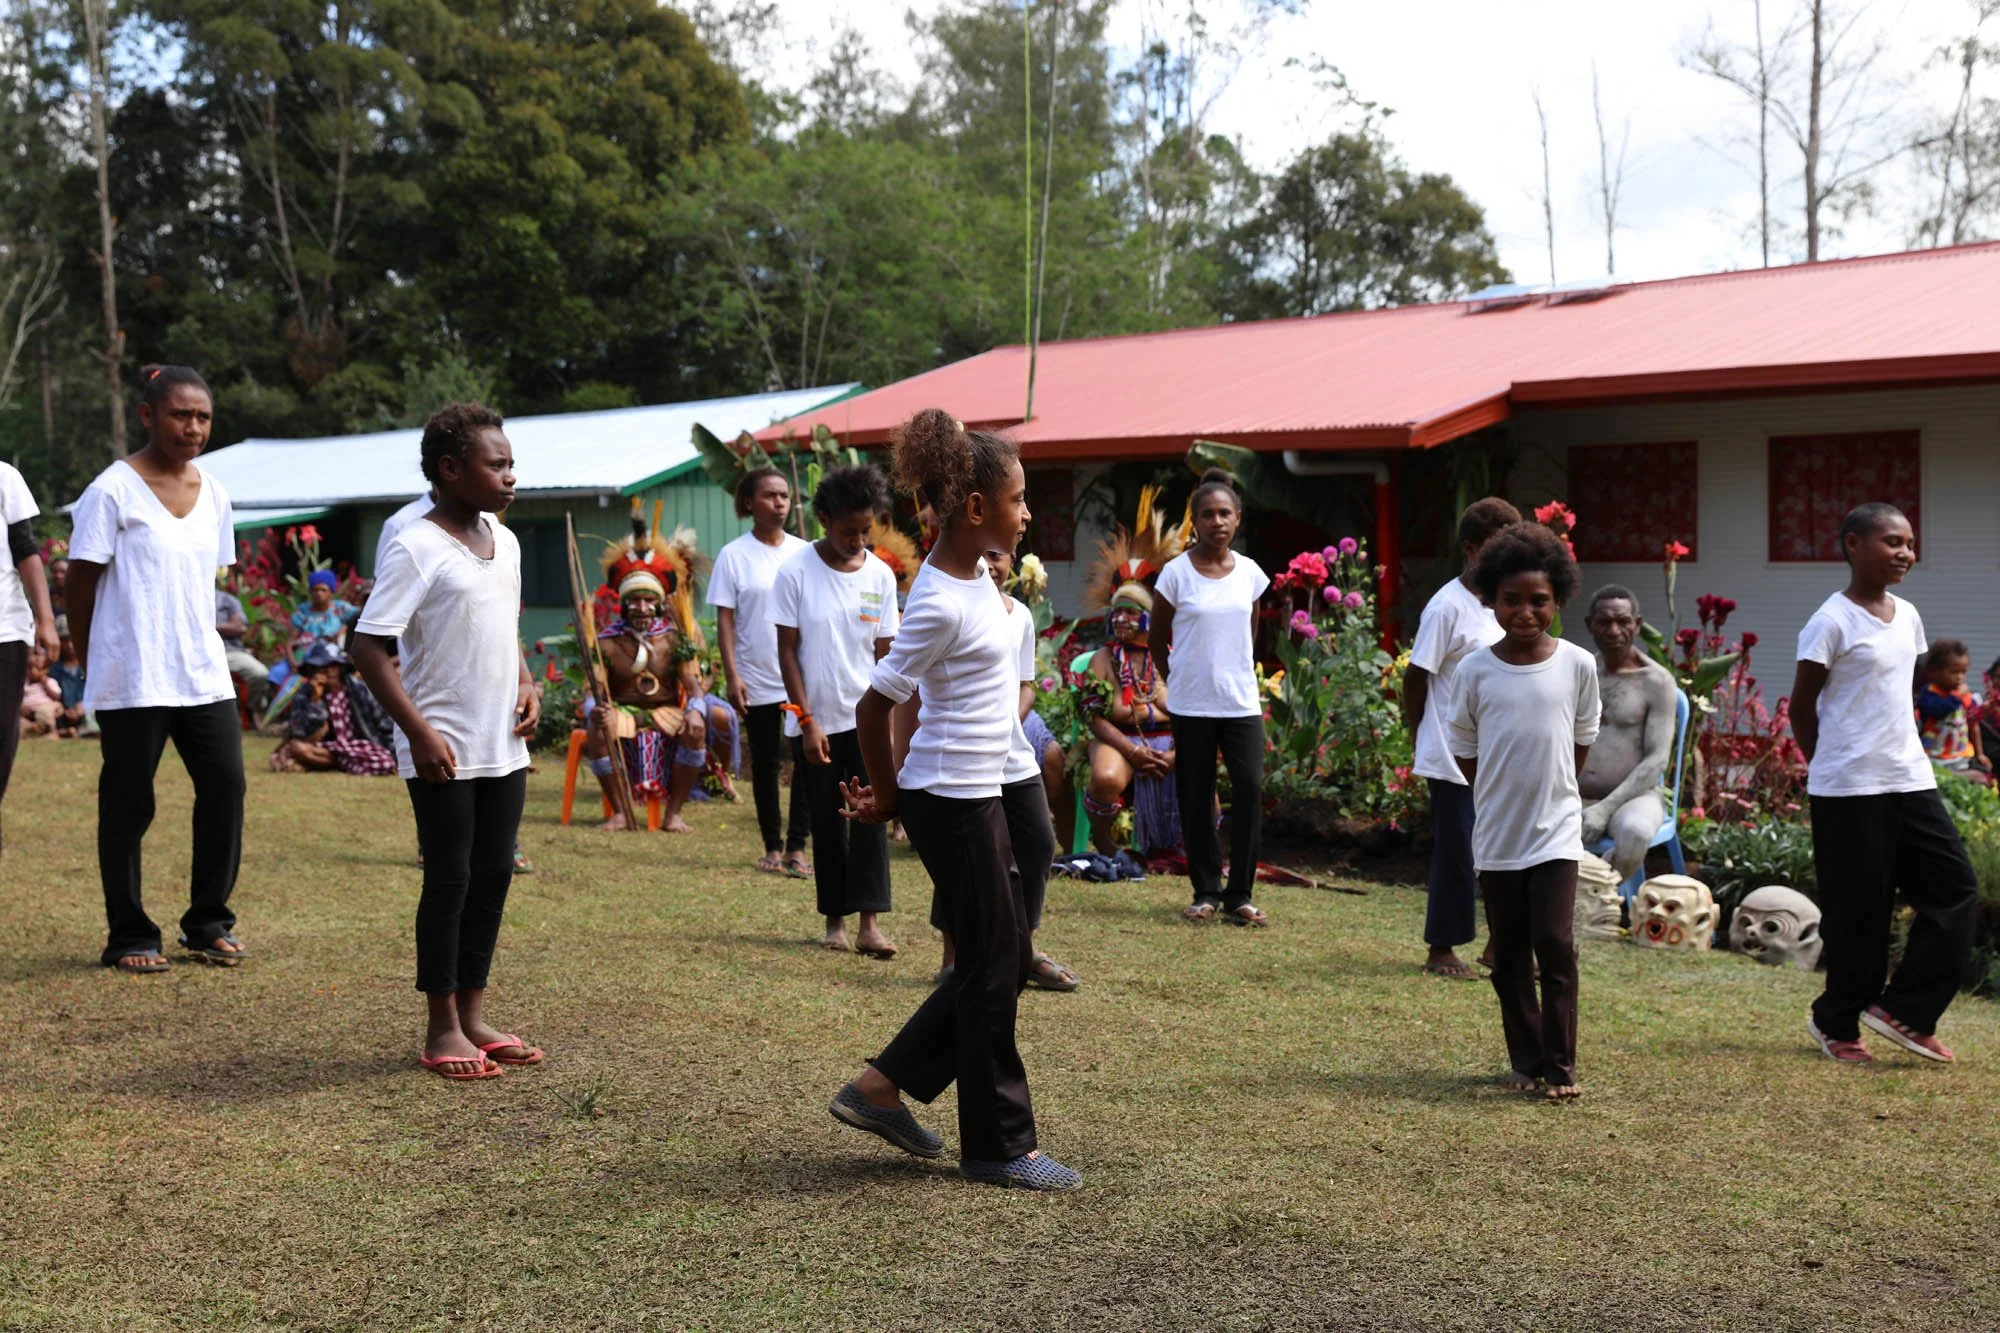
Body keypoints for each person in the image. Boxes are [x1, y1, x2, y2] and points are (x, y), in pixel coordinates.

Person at [830, 407, 1080, 1192]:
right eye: (1018, 498)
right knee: (993, 965)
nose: (1028, 511)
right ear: (976, 509)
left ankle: (880, 1085)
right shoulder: (937, 596)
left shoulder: (978, 579)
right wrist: (890, 792)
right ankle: (999, 1145)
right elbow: (878, 703)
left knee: (991, 961)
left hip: (983, 787)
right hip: (949, 796)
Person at [351, 403, 544, 1081]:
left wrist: (527, 683)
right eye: (498, 464)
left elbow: (503, 625)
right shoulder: (415, 544)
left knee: (493, 874)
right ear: (451, 469)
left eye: (511, 463)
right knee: (450, 877)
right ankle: (441, 1027)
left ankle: (474, 1012)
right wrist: (419, 734)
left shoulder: (506, 540)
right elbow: (369, 646)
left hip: (501, 742)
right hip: (444, 746)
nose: (510, 476)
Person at [67, 364, 247, 972]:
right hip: (132, 676)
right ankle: (130, 934)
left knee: (225, 788)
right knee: (128, 805)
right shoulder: (112, 490)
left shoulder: (216, 492)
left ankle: (207, 922)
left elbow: (205, 582)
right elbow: (81, 583)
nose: (193, 427)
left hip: (201, 673)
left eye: (202, 417)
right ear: (148, 415)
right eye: (180, 414)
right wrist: (92, 661)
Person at [1790, 502, 1977, 1065]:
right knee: (1861, 911)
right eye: (1892, 542)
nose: (1905, 553)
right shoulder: (1831, 621)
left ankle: (1905, 1012)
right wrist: (1828, 764)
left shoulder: (1909, 616)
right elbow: (1802, 706)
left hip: (1909, 777)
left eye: (1909, 543)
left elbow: (1901, 695)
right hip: (1848, 787)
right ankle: (1837, 1021)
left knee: (1955, 890)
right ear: (1853, 544)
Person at [1447, 521, 1600, 1101]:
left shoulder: (1577, 665)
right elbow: (1463, 746)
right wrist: (1497, 792)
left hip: (1557, 833)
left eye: (1539, 600)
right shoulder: (1475, 671)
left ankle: (1560, 1067)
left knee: (1554, 944)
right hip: (1498, 836)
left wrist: (1555, 789)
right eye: (1512, 600)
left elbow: (1582, 735)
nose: (1526, 611)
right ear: (1492, 598)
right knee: (1509, 955)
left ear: (1558, 598)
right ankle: (1525, 1059)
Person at [930, 548, 1076, 993]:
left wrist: (1007, 715)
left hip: (1010, 749)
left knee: (1036, 841)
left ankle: (1022, 951)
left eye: (999, 556)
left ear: (1013, 561)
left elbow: (1025, 683)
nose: (990, 564)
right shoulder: (953, 607)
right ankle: (953, 958)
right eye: (982, 554)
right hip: (965, 751)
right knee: (966, 851)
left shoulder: (1021, 616)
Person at [773, 466, 901, 958]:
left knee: (870, 816)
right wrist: (806, 721)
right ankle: (835, 923)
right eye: (849, 531)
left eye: (866, 530)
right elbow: (788, 651)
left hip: (867, 719)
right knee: (828, 820)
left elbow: (887, 654)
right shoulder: (796, 571)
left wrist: (889, 724)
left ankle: (870, 925)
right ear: (824, 519)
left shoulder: (881, 575)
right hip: (815, 722)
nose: (859, 540)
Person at [1402, 497, 1519, 978]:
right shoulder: (1447, 607)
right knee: (1458, 852)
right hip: (1452, 753)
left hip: (1498, 752)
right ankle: (1441, 949)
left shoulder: (1506, 602)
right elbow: (1415, 676)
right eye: (1498, 544)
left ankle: (1500, 945)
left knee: (1504, 850)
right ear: (1471, 548)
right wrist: (1420, 739)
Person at [1152, 470, 1271, 927]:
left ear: (1237, 519)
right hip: (1192, 704)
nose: (1217, 521)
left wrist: (1231, 671)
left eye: (1225, 513)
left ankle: (1239, 893)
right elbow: (1160, 635)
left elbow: (1252, 632)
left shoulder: (1250, 574)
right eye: (1208, 514)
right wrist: (1179, 678)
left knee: (1249, 787)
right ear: (1195, 521)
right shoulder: (1175, 574)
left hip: (1240, 703)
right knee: (1196, 795)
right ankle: (1205, 889)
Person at [708, 468, 811, 875]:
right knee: (766, 764)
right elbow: (725, 621)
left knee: (805, 760)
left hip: (800, 679)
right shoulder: (734, 555)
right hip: (758, 679)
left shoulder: (805, 552)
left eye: (784, 495)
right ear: (749, 502)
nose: (779, 503)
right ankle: (772, 845)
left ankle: (798, 848)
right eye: (770, 495)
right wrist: (733, 676)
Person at [584, 512, 712, 834]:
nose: (641, 608)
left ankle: (674, 814)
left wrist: (696, 710)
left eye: (648, 601)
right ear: (624, 604)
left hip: (666, 711)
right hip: (622, 712)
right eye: (635, 601)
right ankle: (620, 811)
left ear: (658, 604)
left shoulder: (674, 638)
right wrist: (594, 708)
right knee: (597, 727)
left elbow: (693, 686)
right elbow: (594, 688)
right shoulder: (607, 641)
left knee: (696, 729)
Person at [1079, 487, 1187, 858]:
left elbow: (1194, 712)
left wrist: (1175, 752)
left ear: (1149, 617)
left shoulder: (1172, 656)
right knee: (1106, 778)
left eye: (1131, 612)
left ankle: (1192, 848)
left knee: (1200, 776)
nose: (1122, 619)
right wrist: (1131, 750)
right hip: (1120, 743)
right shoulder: (1103, 660)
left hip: (1171, 745)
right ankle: (1104, 842)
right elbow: (1092, 716)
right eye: (1117, 612)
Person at [1578, 584, 1681, 880]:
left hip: (1633, 798)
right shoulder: (1581, 672)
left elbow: (1657, 759)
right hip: (1575, 795)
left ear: (1637, 624)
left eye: (1623, 621)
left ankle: (1602, 900)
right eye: (1604, 621)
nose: (1613, 630)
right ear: (1590, 625)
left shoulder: (1657, 682)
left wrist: (1605, 808)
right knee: (1538, 828)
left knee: (1635, 834)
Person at [0, 455, 60, 840]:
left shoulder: (4, 477)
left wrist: (47, 619)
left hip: (3, 630)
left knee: (1, 741)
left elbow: (25, 549)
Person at [268, 642, 397, 776]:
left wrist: (394, 752)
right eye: (321, 667)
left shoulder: (360, 690)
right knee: (298, 748)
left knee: (385, 761)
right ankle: (345, 763)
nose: (328, 671)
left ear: (341, 668)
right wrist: (315, 700)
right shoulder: (304, 695)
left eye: (333, 666)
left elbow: (384, 724)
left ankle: (337, 763)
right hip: (327, 748)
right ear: (312, 670)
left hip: (362, 746)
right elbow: (301, 732)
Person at [1914, 639, 1990, 778]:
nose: (1960, 677)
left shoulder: (1966, 696)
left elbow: (1973, 725)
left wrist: (1980, 754)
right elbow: (1937, 710)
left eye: (1963, 672)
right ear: (1934, 671)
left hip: (1961, 756)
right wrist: (1957, 698)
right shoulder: (1929, 693)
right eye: (1954, 672)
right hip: (1934, 757)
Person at [215, 582, 270, 705]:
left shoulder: (226, 599)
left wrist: (208, 627)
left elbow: (240, 627)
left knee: (260, 673)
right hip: (194, 654)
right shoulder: (183, 599)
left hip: (229, 652)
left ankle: (253, 709)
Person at [290, 569, 358, 653]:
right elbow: (291, 641)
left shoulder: (341, 608)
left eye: (323, 590)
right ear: (310, 592)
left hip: (333, 655)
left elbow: (358, 617)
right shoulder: (302, 612)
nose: (319, 593)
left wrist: (344, 628)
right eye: (315, 589)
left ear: (331, 592)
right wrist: (293, 663)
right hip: (305, 654)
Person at [48, 624, 86, 737]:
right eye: (65, 640)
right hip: (62, 712)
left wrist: (84, 706)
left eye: (72, 639)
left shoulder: (89, 665)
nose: (70, 645)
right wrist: (62, 707)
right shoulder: (53, 669)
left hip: (86, 711)